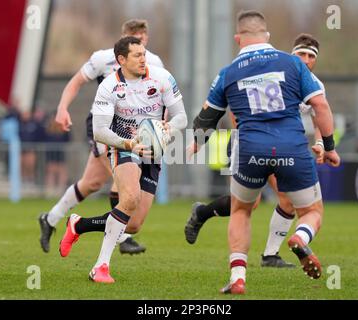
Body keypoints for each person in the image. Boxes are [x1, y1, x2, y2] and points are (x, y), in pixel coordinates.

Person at [189, 11, 340, 294]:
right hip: (291, 147)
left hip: (250, 149)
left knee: (242, 210)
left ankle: (237, 277)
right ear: (267, 36)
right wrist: (329, 147)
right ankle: (299, 236)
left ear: (238, 39)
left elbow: (207, 117)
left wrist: (195, 143)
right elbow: (320, 106)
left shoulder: (229, 71)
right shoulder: (293, 64)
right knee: (311, 211)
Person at [59, 36, 187, 283]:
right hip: (123, 146)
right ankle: (100, 267)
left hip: (153, 150)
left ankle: (79, 225)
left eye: (144, 53)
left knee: (133, 224)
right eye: (137, 55)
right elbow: (100, 131)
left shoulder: (161, 77)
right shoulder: (108, 86)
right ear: (121, 60)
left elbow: (181, 117)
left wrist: (166, 130)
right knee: (129, 198)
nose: (144, 59)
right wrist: (129, 143)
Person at [38, 19, 164, 254]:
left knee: (92, 183)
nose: (140, 41)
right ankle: (122, 238)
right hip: (104, 125)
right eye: (134, 36)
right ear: (123, 40)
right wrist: (62, 108)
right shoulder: (102, 58)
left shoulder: (154, 62)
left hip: (134, 129)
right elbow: (76, 82)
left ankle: (50, 218)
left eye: (143, 37)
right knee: (123, 180)